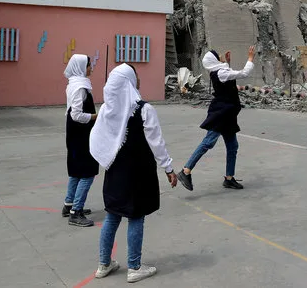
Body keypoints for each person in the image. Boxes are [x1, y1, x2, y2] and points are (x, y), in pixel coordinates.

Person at [89, 63, 178, 283]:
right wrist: (168, 167)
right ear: (130, 82)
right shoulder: (144, 109)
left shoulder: (107, 111)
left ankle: (104, 264)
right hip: (138, 172)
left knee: (113, 215)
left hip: (114, 171)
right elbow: (157, 143)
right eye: (135, 76)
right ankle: (135, 267)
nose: (138, 79)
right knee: (136, 216)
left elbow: (98, 137)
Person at [177, 46, 255, 191]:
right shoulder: (221, 72)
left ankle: (229, 178)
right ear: (214, 60)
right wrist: (250, 58)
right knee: (208, 142)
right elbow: (243, 73)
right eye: (217, 56)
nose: (220, 57)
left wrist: (228, 62)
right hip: (222, 113)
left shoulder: (219, 70)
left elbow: (228, 76)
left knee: (232, 146)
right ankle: (185, 171)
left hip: (228, 113)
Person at [63, 54, 99, 227]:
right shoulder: (79, 88)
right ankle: (76, 212)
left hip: (75, 133)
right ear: (81, 67)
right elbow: (76, 114)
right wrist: (96, 117)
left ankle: (69, 204)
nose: (91, 68)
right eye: (88, 65)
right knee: (88, 172)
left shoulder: (75, 83)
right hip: (80, 133)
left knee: (77, 169)